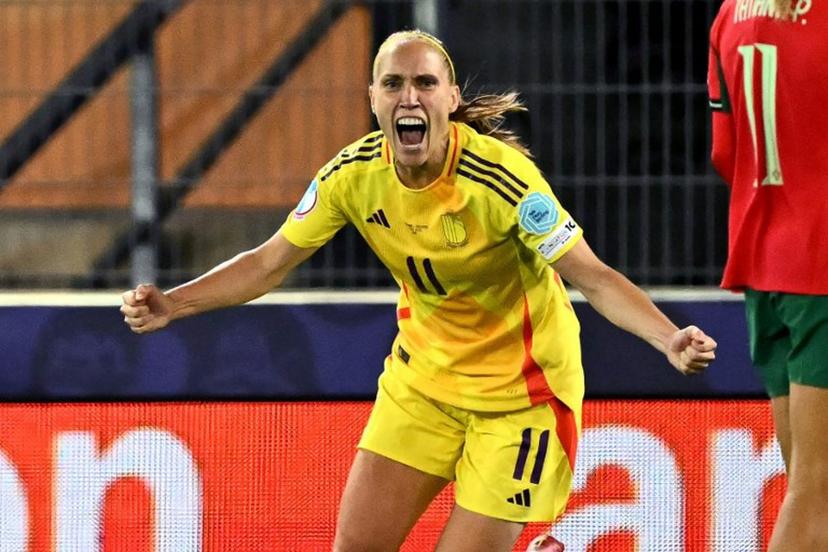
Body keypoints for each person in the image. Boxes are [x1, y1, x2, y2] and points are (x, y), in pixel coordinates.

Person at [123, 30, 717, 552]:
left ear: (450, 100)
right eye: (394, 83)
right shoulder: (351, 178)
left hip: (521, 401)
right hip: (423, 386)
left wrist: (667, 338)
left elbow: (592, 276)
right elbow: (267, 262)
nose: (410, 95)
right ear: (374, 100)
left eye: (425, 83)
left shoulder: (503, 182)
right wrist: (176, 303)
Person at [708, 1, 828, 550]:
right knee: (816, 491)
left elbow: (724, 151)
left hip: (764, 260)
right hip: (820, 265)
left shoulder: (730, 13)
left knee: (805, 485)